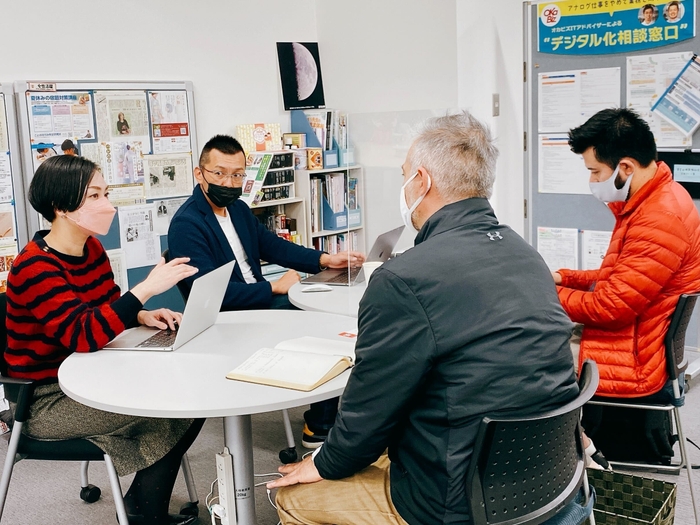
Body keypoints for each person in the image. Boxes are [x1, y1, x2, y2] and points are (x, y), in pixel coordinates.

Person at [266, 112, 579, 525]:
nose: (402, 187)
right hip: (545, 478)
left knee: (296, 500)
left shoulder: (404, 278)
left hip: (453, 500)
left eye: (403, 175)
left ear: (422, 181)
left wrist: (322, 464)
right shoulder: (525, 254)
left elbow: (368, 410)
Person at [5, 155, 202, 525]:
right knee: (175, 403)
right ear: (62, 207)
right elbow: (84, 334)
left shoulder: (91, 249)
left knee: (189, 397)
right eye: (94, 196)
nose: (107, 205)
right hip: (44, 400)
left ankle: (142, 507)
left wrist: (143, 314)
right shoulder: (33, 267)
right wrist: (144, 291)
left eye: (105, 193)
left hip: (91, 375)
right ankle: (144, 511)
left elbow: (107, 304)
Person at [168, 134, 365, 447]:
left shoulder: (239, 210)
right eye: (219, 173)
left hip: (259, 301)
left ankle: (331, 415)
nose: (229, 183)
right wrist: (273, 286)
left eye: (236, 175)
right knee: (323, 326)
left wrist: (325, 259)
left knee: (327, 315)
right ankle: (321, 425)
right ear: (199, 173)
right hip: (231, 314)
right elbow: (210, 297)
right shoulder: (187, 224)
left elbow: (273, 247)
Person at [554, 108, 700, 459]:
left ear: (626, 168)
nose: (592, 180)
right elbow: (621, 278)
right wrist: (565, 278)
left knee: (531, 359)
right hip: (639, 343)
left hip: (631, 359)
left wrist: (543, 292)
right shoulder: (650, 201)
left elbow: (611, 306)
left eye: (595, 171)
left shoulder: (659, 218)